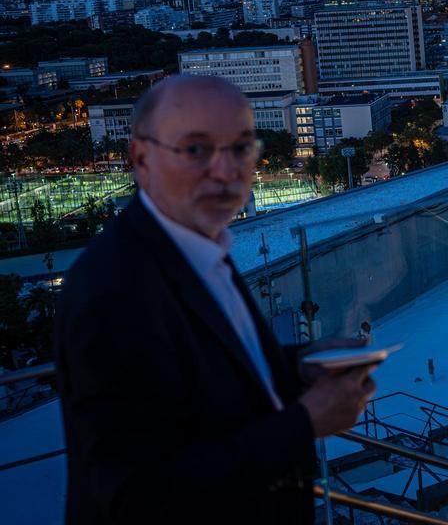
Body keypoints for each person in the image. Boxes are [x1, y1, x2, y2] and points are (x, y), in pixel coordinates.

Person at [55, 76, 375, 525]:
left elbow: (199, 379)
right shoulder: (114, 289)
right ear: (140, 158)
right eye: (196, 150)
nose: (226, 171)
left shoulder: (200, 250)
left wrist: (295, 367)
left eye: (241, 148)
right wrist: (303, 424)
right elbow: (136, 497)